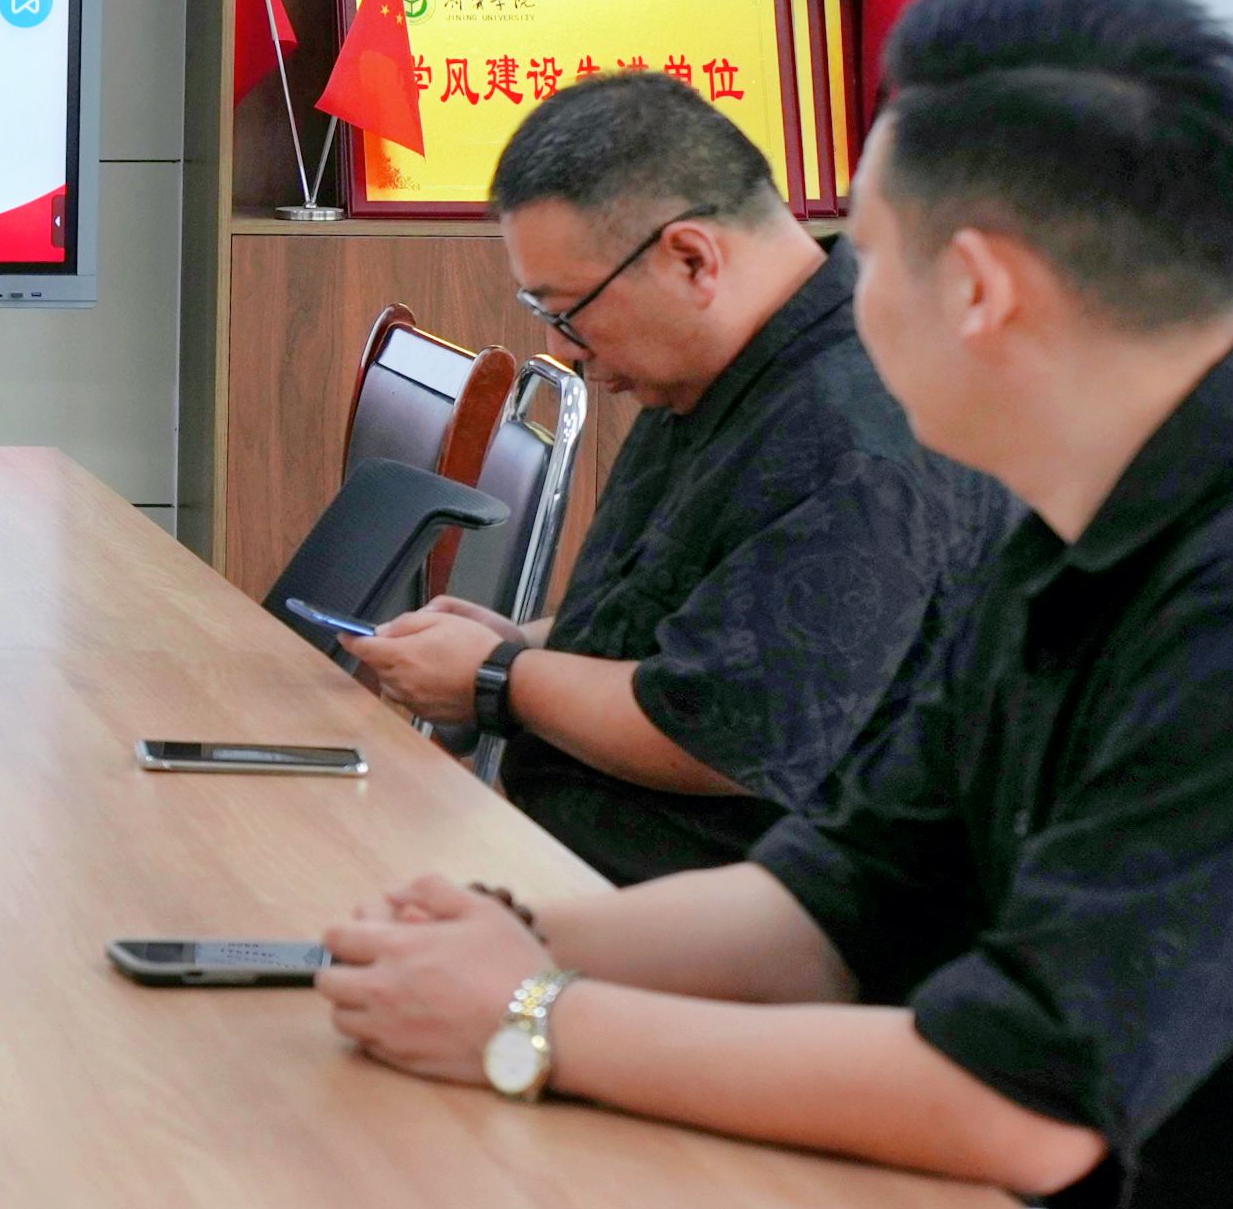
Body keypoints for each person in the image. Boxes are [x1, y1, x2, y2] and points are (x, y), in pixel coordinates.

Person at [320, 0, 1233, 1209]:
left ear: (980, 291)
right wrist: (508, 931)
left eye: (871, 256)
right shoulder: (1073, 531)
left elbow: (1023, 1097)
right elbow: (843, 896)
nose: (843, 293)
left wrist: (530, 1017)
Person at [344, 73, 1007, 881]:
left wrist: (498, 676)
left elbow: (721, 732)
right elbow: (687, 617)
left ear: (692, 259)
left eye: (568, 310)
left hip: (723, 922)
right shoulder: (712, 360)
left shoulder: (862, 430)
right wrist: (521, 642)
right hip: (574, 868)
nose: (563, 348)